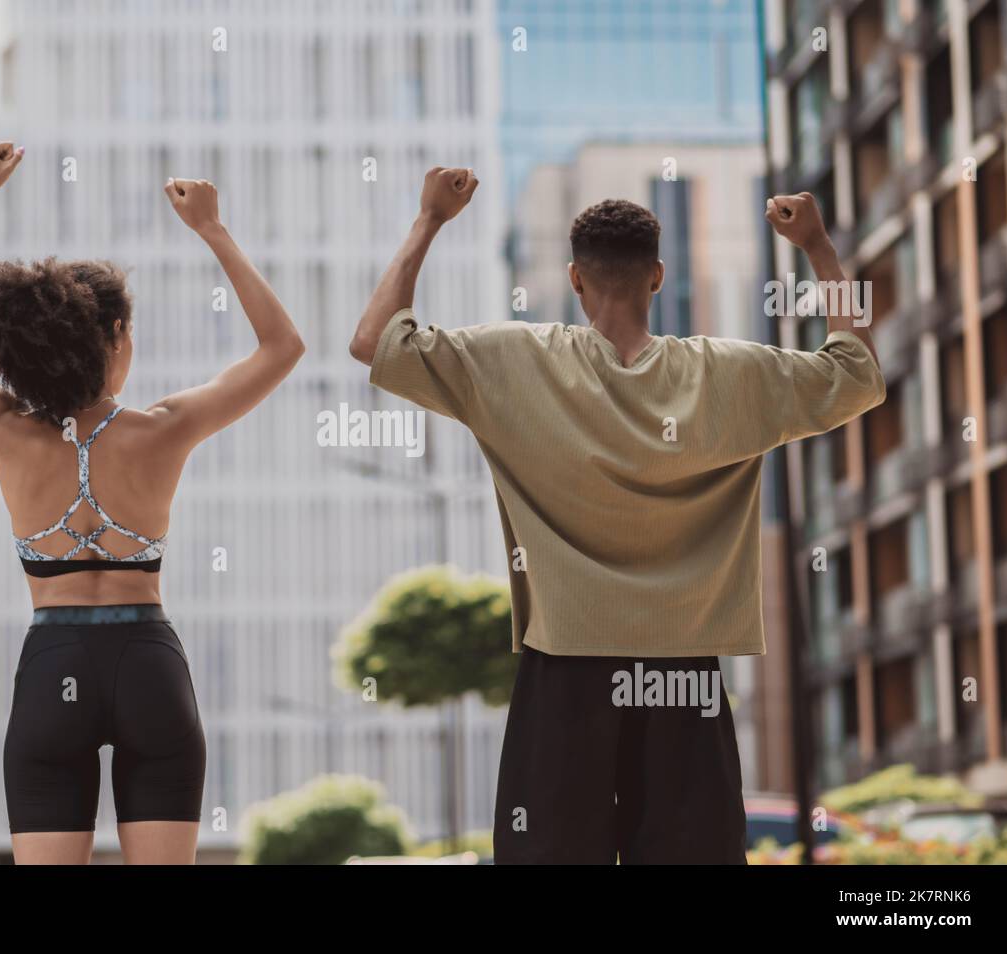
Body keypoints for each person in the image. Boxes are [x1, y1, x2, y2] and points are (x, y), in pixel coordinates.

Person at [350, 168, 885, 863]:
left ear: (576, 280)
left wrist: (429, 218)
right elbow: (857, 373)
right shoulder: (731, 375)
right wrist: (816, 248)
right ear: (658, 277)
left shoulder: (514, 361)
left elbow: (375, 341)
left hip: (566, 675)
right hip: (685, 678)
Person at [0, 143, 304, 864]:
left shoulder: (6, 431)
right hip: (147, 665)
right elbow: (282, 346)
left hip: (51, 658)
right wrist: (213, 230)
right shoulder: (165, 430)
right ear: (117, 339)